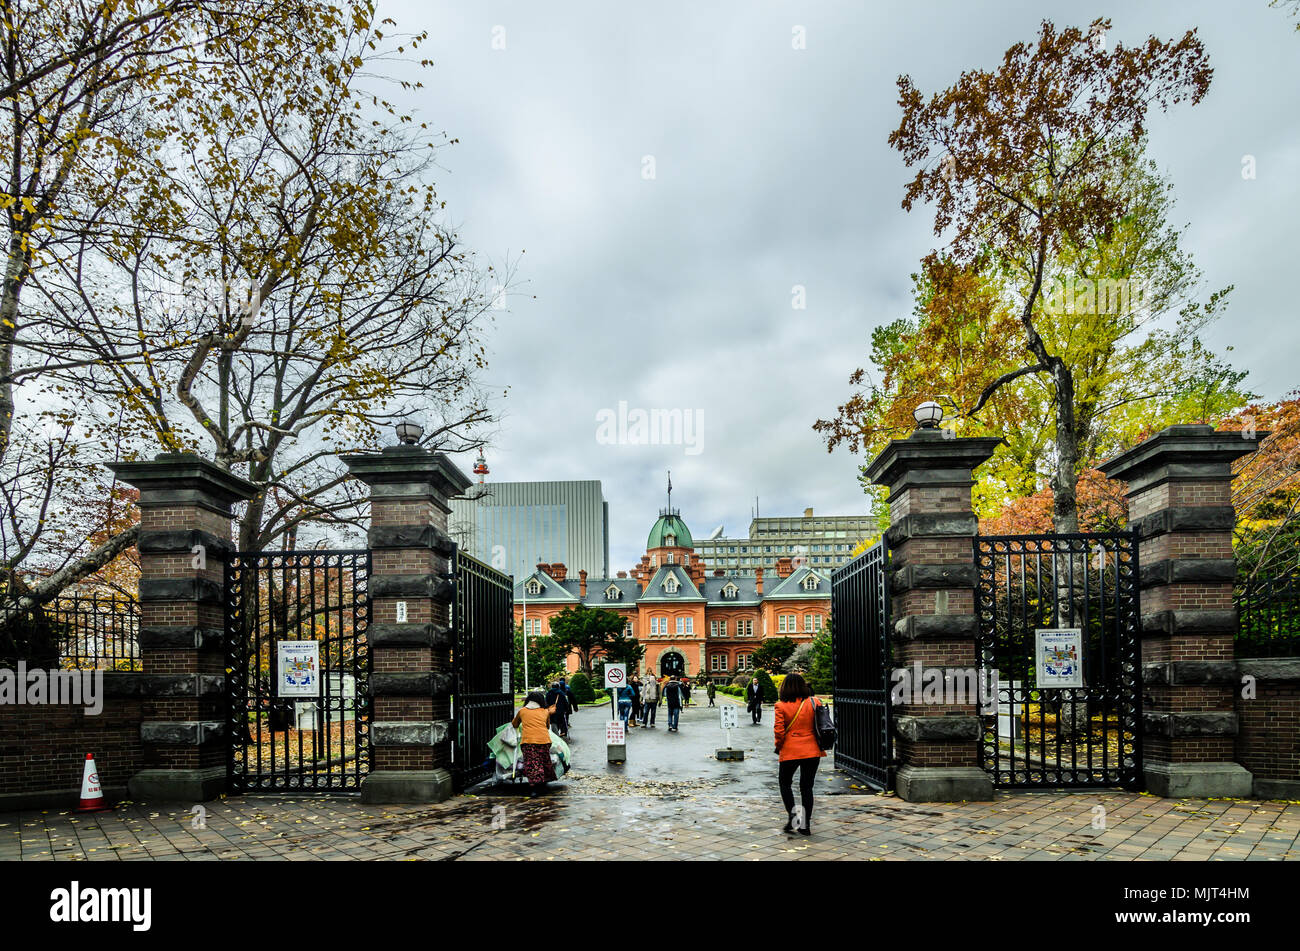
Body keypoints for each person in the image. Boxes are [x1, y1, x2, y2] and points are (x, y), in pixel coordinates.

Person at [773, 672, 825, 835]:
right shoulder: (815, 702)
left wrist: (779, 746)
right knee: (806, 787)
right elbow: (823, 724)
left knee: (785, 783)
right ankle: (805, 825)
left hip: (790, 750)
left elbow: (779, 731)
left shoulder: (780, 705)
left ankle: (793, 816)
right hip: (812, 749)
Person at [512, 691, 558, 797]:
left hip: (529, 742)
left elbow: (514, 724)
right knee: (543, 761)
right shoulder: (544, 711)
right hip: (544, 741)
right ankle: (543, 785)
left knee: (532, 764)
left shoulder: (522, 711)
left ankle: (535, 789)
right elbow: (547, 726)